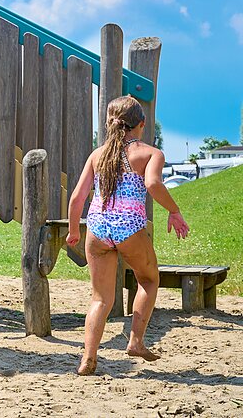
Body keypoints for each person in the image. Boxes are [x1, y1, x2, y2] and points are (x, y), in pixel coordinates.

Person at [66, 95, 190, 375]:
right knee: (148, 279)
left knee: (100, 298)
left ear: (109, 123)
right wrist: (174, 211)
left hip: (97, 229)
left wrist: (74, 230)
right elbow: (153, 184)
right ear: (141, 124)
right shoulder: (150, 153)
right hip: (129, 228)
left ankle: (88, 358)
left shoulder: (97, 155)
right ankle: (135, 341)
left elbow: (77, 198)